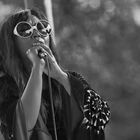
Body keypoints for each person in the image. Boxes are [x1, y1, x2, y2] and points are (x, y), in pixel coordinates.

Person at [0, 8, 110, 140]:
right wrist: (37, 68)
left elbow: (100, 114)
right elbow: (21, 129)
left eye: (42, 28)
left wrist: (60, 75)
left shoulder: (69, 79)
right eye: (24, 30)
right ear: (11, 42)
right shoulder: (5, 86)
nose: (36, 34)